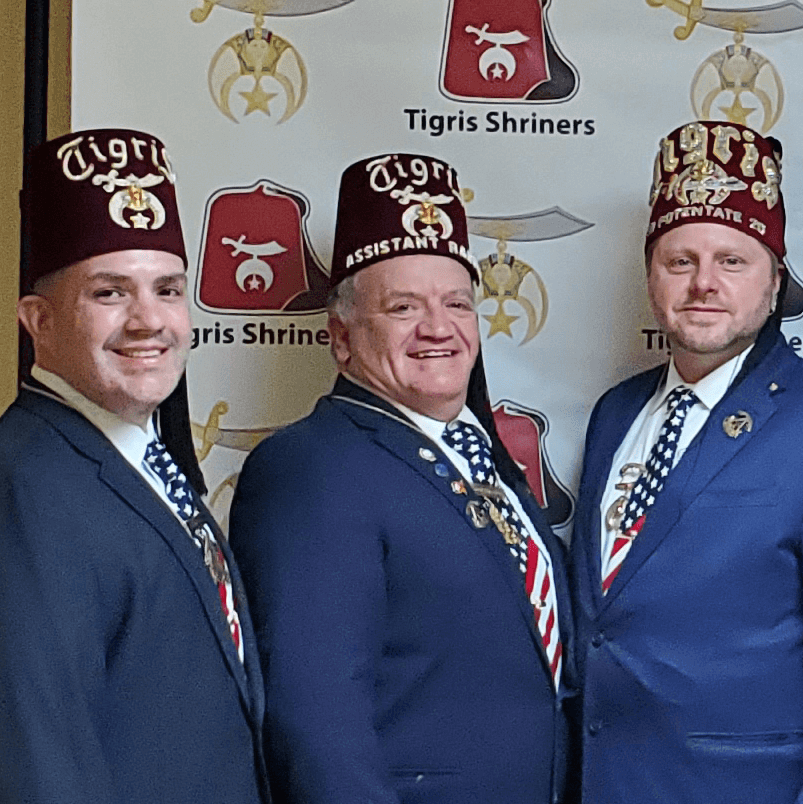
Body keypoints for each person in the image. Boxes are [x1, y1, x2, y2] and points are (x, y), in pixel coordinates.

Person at [571, 119, 803, 804]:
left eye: (732, 261)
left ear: (775, 280)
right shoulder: (616, 414)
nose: (704, 283)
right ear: (650, 275)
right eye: (680, 261)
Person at [0, 128, 261, 804]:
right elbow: (33, 768)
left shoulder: (142, 459)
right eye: (110, 294)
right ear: (38, 321)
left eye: (168, 290)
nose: (148, 321)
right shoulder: (12, 499)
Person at [230, 153, 572, 804]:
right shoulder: (309, 469)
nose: (438, 328)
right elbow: (317, 729)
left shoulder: (480, 454)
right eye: (403, 307)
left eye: (456, 304)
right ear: (341, 337)